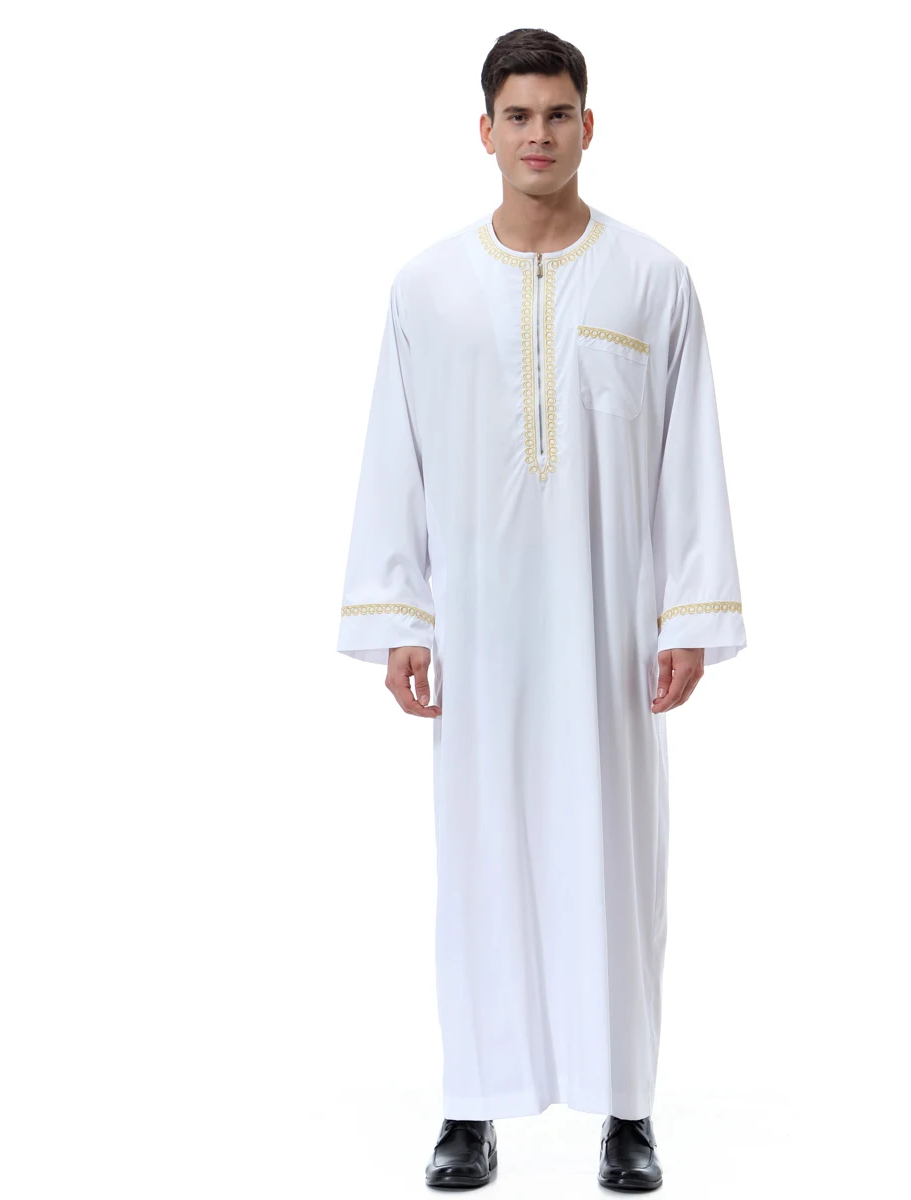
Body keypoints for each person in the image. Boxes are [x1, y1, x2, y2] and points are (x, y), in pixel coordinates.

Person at [336, 27, 746, 1191]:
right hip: (480, 633)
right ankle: (472, 1108)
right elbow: (395, 457)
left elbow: (689, 454)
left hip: (609, 630)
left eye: (558, 113)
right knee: (481, 856)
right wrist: (403, 620)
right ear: (485, 131)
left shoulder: (651, 280)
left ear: (588, 126)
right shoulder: (428, 289)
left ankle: (628, 1111)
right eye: (517, 115)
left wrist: (687, 614)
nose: (538, 134)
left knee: (616, 858)